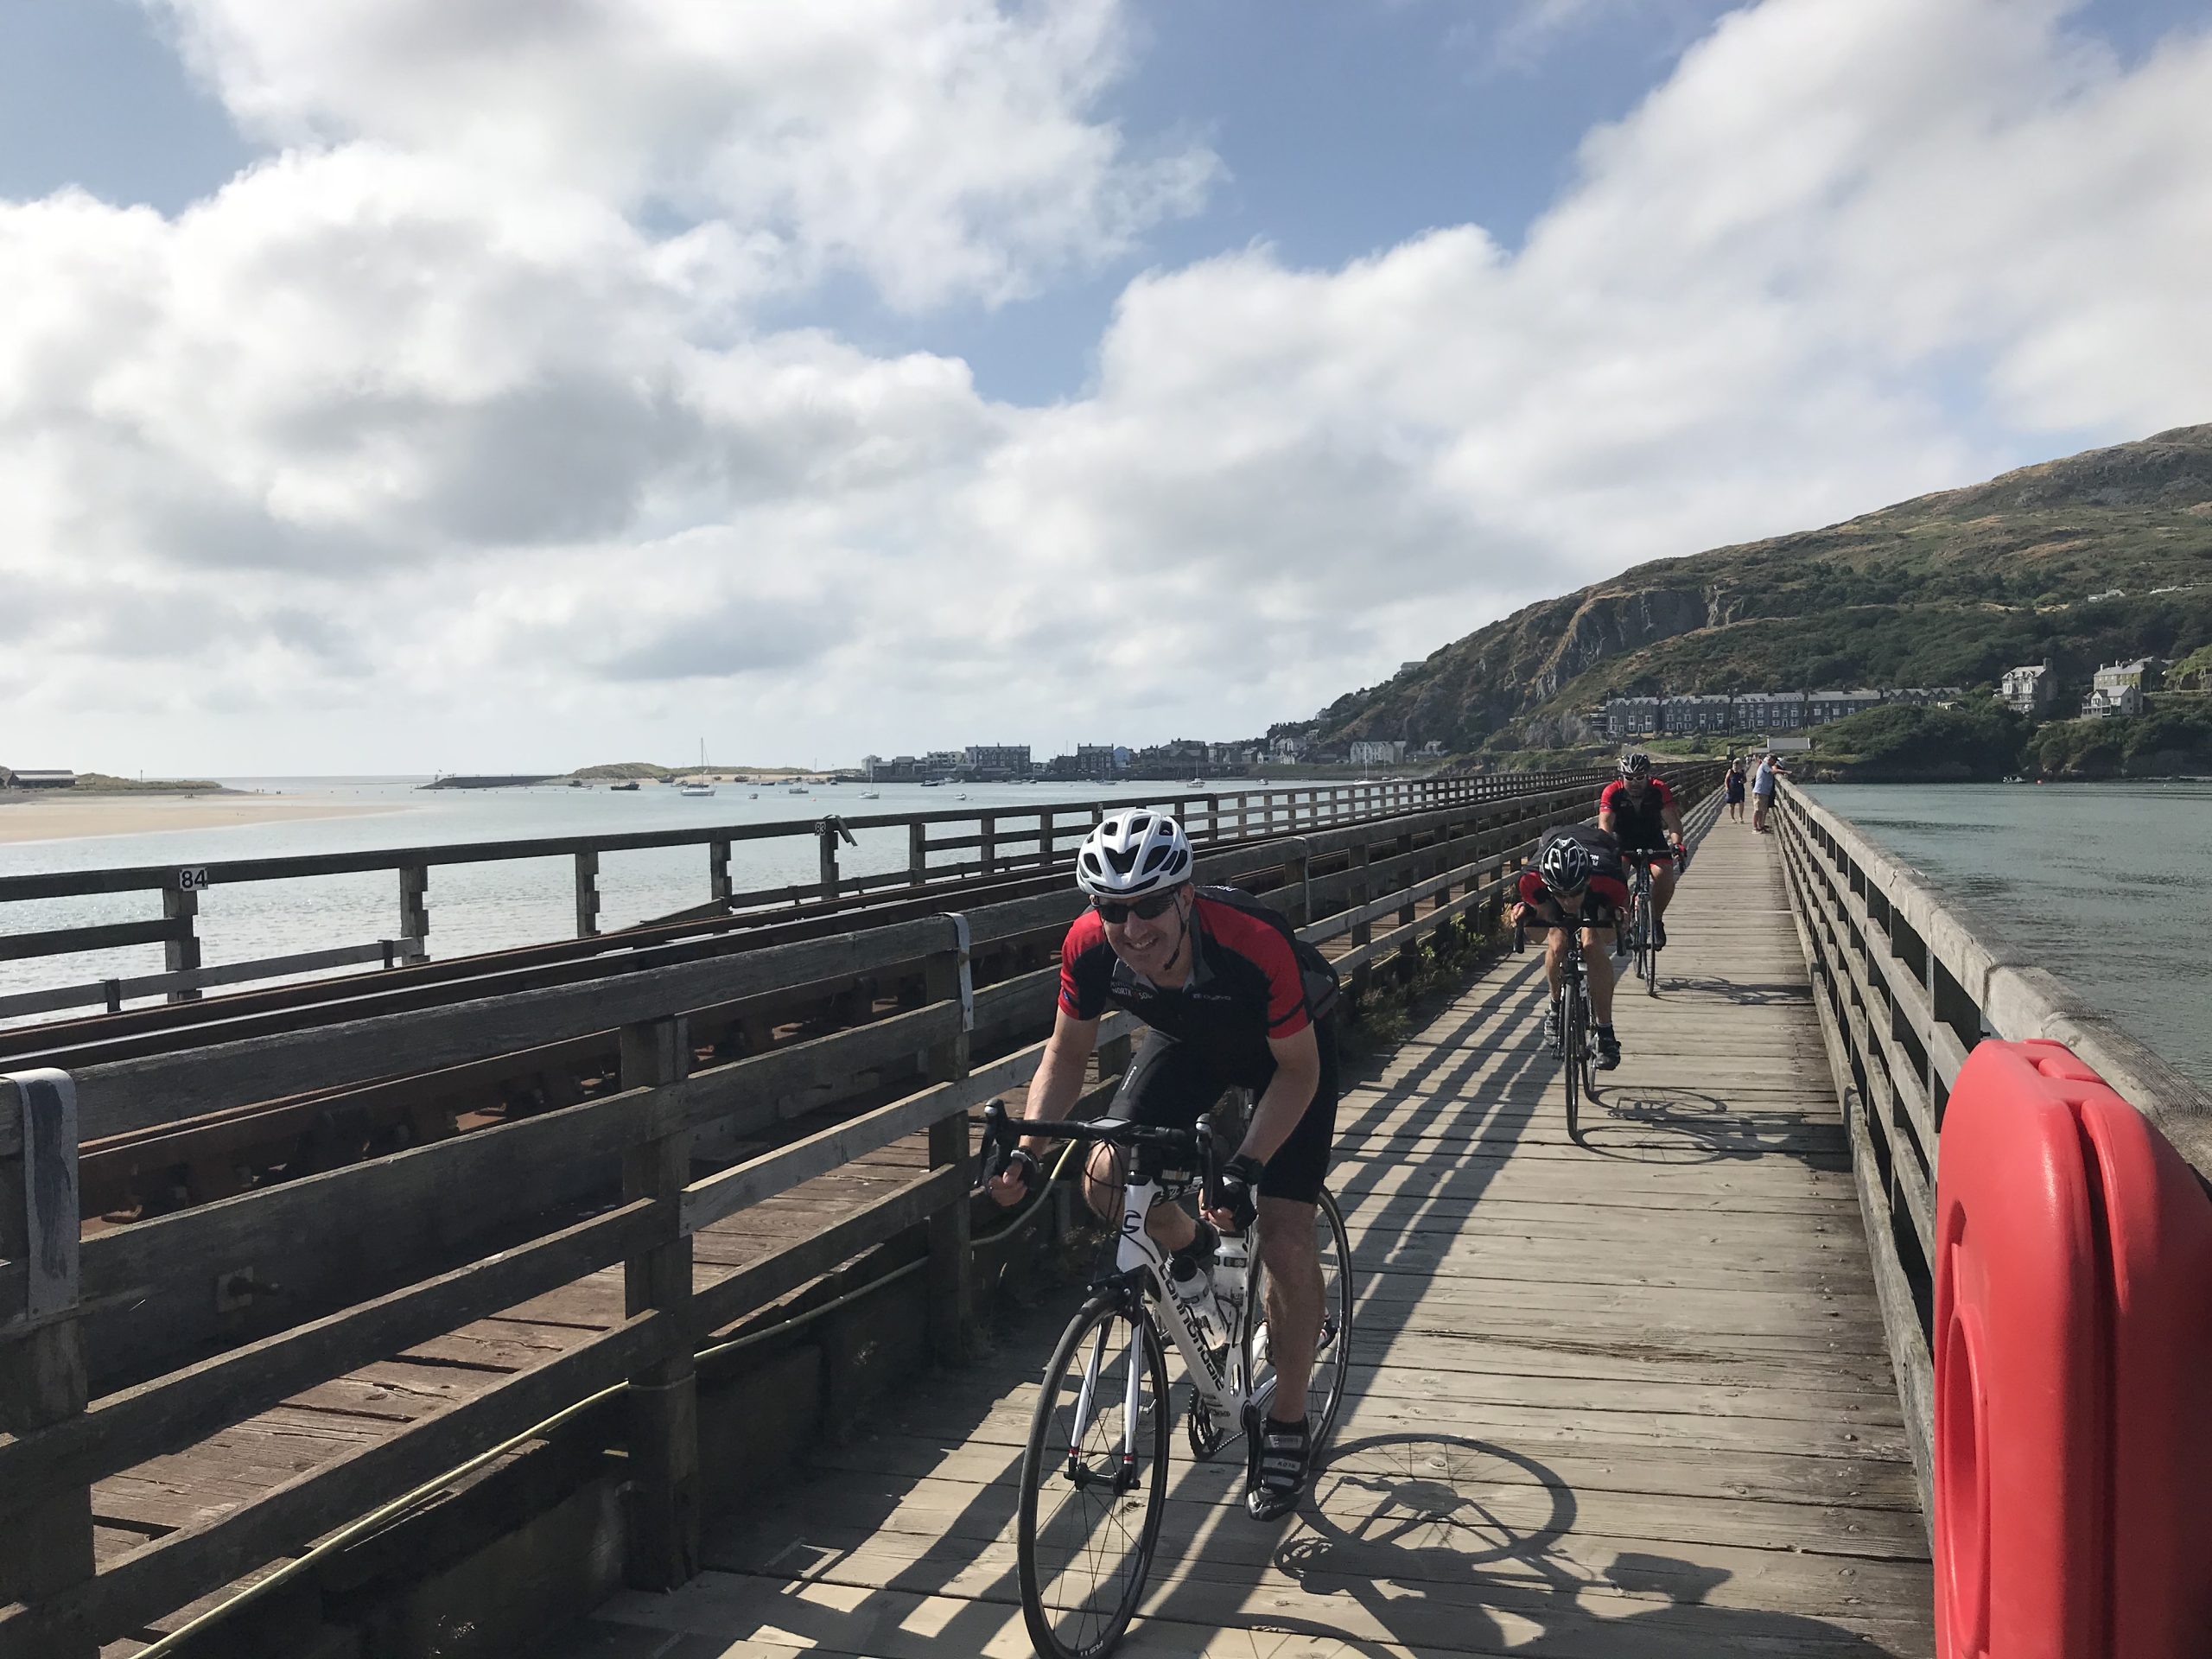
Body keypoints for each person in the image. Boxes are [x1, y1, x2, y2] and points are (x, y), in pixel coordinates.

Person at [987, 809, 1342, 1522]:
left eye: (1150, 904)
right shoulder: (1090, 945)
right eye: (1114, 908)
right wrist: (1027, 1152)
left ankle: (1288, 1424)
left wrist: (1245, 1166)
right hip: (1192, 1040)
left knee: (1282, 1231)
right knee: (1103, 1179)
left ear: (1185, 896)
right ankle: (1196, 1249)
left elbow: (1297, 1074)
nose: (1133, 926)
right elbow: (1066, 1052)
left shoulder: (1250, 943)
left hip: (1293, 1053)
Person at [1511, 824, 1628, 1069]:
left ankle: (1606, 1034)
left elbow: (1614, 931)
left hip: (1599, 872)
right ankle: (1555, 1008)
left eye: (1574, 894)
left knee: (1593, 943)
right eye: (1561, 895)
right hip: (1552, 857)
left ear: (1586, 881)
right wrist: (1523, 915)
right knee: (1557, 940)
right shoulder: (1531, 880)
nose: (1568, 901)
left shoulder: (1608, 879)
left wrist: (1619, 917)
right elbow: (1535, 935)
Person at [1597, 753, 1686, 948]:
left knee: (1665, 876)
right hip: (1622, 841)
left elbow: (1673, 822)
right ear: (1621, 776)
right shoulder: (1612, 792)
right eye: (1629, 778)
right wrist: (1605, 847)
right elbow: (1605, 824)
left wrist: (1678, 844)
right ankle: (1626, 922)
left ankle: (1656, 921)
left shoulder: (1658, 789)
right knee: (1617, 879)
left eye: (1639, 778)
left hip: (1653, 840)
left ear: (1647, 776)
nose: (1634, 782)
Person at [1751, 753, 1778, 832]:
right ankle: (1755, 827)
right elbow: (1772, 772)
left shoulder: (1768, 766)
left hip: (1764, 791)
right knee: (1758, 809)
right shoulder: (1765, 765)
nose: (1770, 761)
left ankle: (1761, 826)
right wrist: (1784, 772)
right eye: (1770, 759)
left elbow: (1773, 769)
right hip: (1760, 791)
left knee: (1763, 809)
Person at [1724, 756, 1747, 823]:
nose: (1736, 765)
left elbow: (1745, 780)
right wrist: (1727, 788)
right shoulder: (1730, 771)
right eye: (1734, 764)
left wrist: (1743, 780)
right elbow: (1726, 780)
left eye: (1737, 764)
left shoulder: (1742, 771)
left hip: (1740, 788)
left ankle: (1741, 817)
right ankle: (1732, 818)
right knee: (1732, 804)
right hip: (1732, 789)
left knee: (1741, 803)